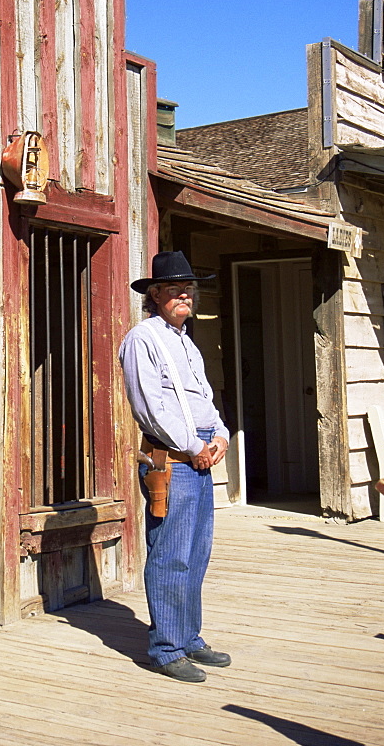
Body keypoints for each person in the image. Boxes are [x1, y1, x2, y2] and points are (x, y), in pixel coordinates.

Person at [119, 250, 231, 683]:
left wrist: (220, 435)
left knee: (197, 554)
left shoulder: (186, 341)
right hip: (175, 463)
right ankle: (166, 649)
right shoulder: (142, 339)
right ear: (155, 295)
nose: (184, 295)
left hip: (200, 461)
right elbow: (150, 409)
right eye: (173, 289)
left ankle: (188, 637)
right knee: (171, 556)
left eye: (189, 289)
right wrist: (193, 447)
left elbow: (204, 400)